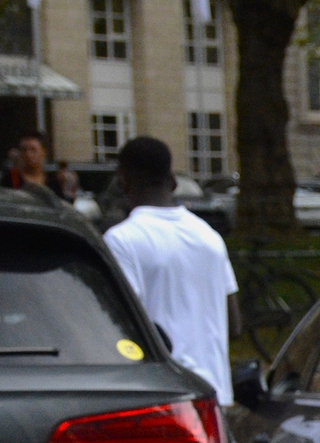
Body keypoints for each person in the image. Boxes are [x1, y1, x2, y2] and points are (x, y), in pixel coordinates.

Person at [102, 136, 239, 403]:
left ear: (122, 181)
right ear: (173, 182)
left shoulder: (123, 240)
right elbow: (234, 325)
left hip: (165, 396)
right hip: (214, 396)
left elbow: (121, 326)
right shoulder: (209, 237)